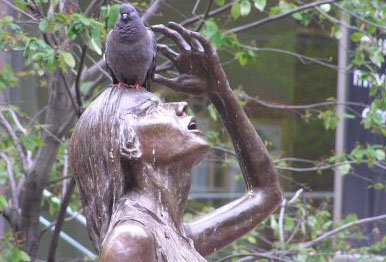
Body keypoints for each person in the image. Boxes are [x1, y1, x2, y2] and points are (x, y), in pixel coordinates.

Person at [69, 22, 283, 262]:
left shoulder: (171, 233)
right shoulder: (130, 240)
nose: (180, 106)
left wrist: (220, 92)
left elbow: (268, 193)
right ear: (130, 144)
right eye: (152, 109)